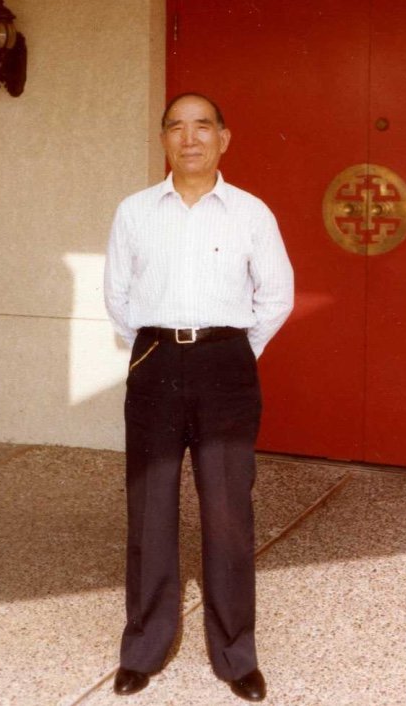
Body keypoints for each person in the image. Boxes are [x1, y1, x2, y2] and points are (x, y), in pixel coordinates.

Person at [104, 92, 294, 702]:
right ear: (163, 140)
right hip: (156, 359)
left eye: (202, 127)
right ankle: (144, 648)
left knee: (229, 513)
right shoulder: (135, 212)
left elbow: (276, 297)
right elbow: (118, 298)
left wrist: (232, 353)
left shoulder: (251, 213)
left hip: (225, 365)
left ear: (224, 138)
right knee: (150, 508)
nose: (190, 139)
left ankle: (236, 655)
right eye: (176, 128)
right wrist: (163, 347)